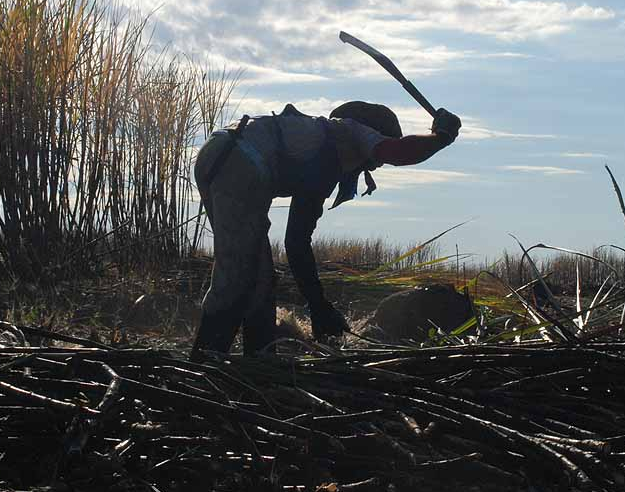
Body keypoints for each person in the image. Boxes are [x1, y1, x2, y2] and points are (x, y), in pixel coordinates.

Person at [192, 100, 461, 355]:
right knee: (237, 274)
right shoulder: (348, 133)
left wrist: (319, 307)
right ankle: (206, 366)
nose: (377, 165)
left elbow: (296, 242)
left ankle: (257, 363)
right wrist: (442, 136)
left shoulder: (319, 146)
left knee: (258, 276)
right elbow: (398, 151)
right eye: (375, 158)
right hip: (241, 160)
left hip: (219, 154)